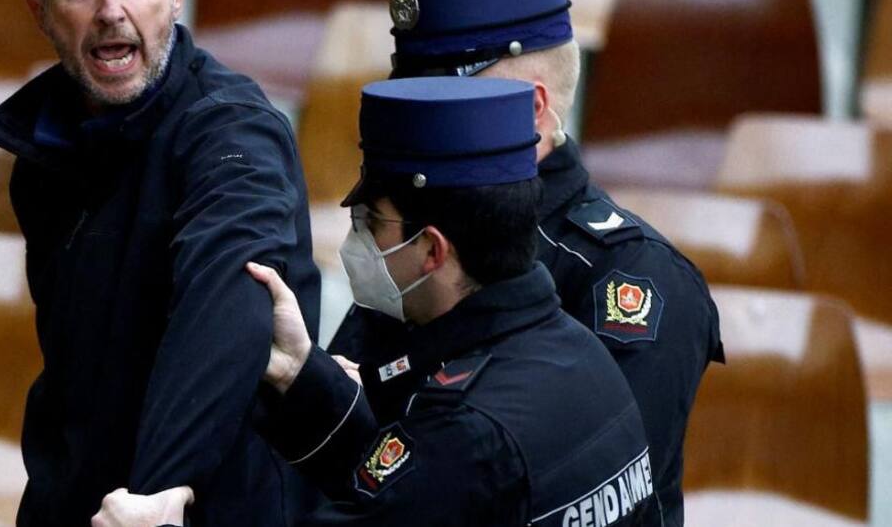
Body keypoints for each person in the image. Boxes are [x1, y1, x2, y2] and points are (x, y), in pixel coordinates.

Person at [92, 77, 660, 526]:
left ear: (432, 250)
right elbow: (408, 492)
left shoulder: (466, 431)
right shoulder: (577, 353)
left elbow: (432, 483)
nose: (356, 241)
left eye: (371, 223)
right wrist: (299, 373)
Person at [329, 0, 725, 524]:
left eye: (445, 97)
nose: (415, 116)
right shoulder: (412, 236)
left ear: (533, 111)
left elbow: (569, 496)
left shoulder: (633, 277)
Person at [0, 0, 321, 526]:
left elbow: (226, 307)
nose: (111, 9)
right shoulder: (43, 155)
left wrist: (157, 493)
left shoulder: (233, 131)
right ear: (41, 13)